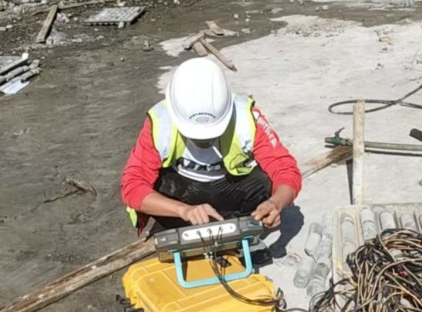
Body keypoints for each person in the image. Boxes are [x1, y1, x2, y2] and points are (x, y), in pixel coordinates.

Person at [120, 58, 302, 235]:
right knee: (157, 186)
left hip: (232, 190)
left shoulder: (246, 118)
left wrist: (276, 203)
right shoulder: (160, 122)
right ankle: (181, 224)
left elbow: (284, 168)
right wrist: (182, 210)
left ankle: (239, 226)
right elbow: (133, 184)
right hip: (182, 193)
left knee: (264, 180)